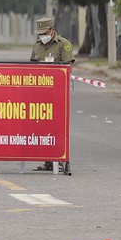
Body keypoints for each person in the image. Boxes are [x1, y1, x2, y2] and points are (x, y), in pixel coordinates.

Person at [30, 16, 75, 171]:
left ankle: (59, 160)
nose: (41, 36)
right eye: (39, 33)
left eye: (44, 32)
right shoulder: (37, 46)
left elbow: (68, 69)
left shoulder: (64, 45)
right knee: (42, 126)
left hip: (57, 95)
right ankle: (48, 161)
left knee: (57, 127)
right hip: (40, 94)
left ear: (52, 30)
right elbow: (31, 68)